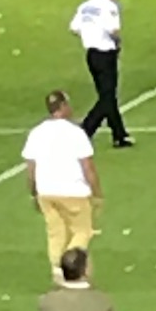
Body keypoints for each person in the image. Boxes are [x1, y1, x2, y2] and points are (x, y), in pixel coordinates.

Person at [23, 91, 102, 280]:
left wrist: (33, 191)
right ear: (64, 106)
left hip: (46, 192)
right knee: (82, 231)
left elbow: (31, 167)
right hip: (73, 191)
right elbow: (87, 166)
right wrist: (97, 192)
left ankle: (57, 269)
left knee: (55, 232)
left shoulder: (37, 132)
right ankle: (72, 266)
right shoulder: (75, 133)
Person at [70, 0, 133, 148]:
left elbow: (74, 27)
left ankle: (119, 134)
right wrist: (116, 41)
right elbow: (113, 29)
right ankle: (86, 129)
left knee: (108, 96)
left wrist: (90, 33)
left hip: (91, 54)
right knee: (107, 97)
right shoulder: (108, 7)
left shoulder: (85, 6)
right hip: (106, 53)